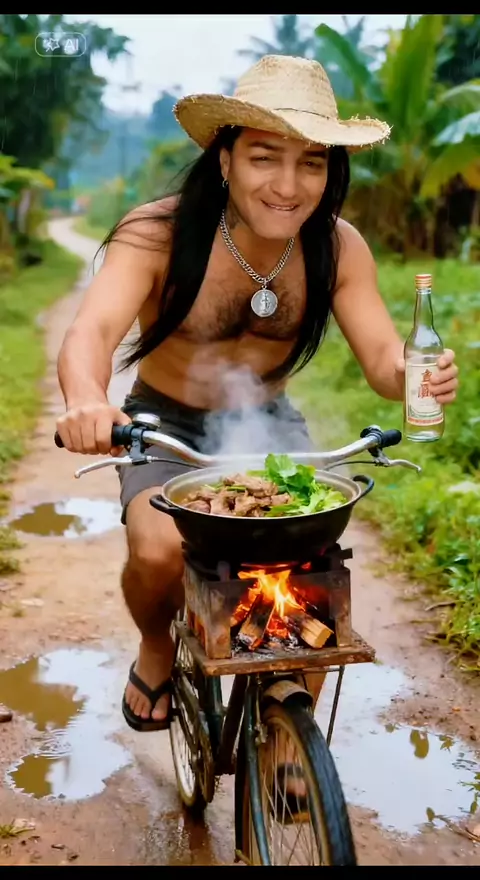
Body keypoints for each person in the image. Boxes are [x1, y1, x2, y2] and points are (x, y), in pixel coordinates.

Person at [56, 55, 459, 733]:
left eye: (311, 163)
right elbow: (90, 332)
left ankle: (288, 742)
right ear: (226, 160)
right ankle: (155, 647)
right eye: (265, 158)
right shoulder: (156, 234)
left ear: (331, 172)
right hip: (164, 423)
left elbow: (385, 362)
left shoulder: (339, 247)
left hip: (268, 425)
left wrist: (418, 376)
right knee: (157, 552)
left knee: (312, 564)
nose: (287, 186)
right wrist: (87, 400)